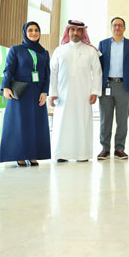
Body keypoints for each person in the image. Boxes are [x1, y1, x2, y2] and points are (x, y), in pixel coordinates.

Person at [0, 21, 51, 167]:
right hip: (20, 92)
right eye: (30, 30)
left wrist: (45, 92)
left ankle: (33, 155)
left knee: (36, 124)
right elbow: (8, 70)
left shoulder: (44, 52)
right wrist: (5, 88)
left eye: (36, 30)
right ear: (25, 33)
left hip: (37, 93)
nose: (33, 33)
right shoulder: (16, 50)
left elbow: (47, 74)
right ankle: (19, 155)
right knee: (20, 124)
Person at [49, 20, 102, 163]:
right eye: (72, 30)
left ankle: (82, 154)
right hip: (63, 95)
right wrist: (52, 94)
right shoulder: (59, 50)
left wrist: (95, 92)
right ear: (68, 31)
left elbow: (97, 73)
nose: (75, 33)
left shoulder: (91, 51)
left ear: (83, 32)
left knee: (82, 122)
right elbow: (52, 73)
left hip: (83, 95)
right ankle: (61, 154)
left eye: (79, 30)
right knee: (63, 123)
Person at [97, 17, 129, 161]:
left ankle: (119, 149)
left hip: (124, 86)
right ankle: (105, 149)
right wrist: (97, 86)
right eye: (115, 25)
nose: (117, 28)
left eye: (120, 25)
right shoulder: (103, 44)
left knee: (122, 120)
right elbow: (98, 67)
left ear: (124, 28)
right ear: (111, 28)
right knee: (105, 119)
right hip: (106, 86)